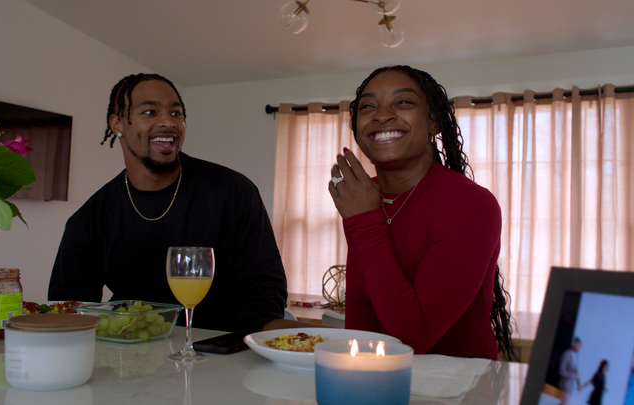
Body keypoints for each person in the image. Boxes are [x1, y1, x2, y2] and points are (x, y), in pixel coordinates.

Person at [48, 73, 287, 332]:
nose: (168, 122)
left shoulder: (234, 192)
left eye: (176, 113)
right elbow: (69, 311)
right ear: (117, 124)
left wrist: (236, 350)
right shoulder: (90, 220)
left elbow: (265, 288)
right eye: (150, 112)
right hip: (132, 360)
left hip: (224, 354)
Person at [327, 65, 515, 360]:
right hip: (382, 379)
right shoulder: (364, 194)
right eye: (368, 106)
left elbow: (414, 336)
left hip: (459, 390)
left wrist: (364, 223)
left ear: (434, 122)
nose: (382, 115)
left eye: (403, 102)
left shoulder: (469, 203)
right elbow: (362, 302)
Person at [559, 338, 582, 405]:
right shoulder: (566, 354)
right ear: (574, 344)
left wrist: (578, 383)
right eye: (578, 346)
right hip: (565, 384)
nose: (579, 348)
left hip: (571, 385)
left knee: (564, 403)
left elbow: (575, 370)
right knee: (564, 403)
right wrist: (572, 375)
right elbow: (561, 370)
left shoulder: (576, 356)